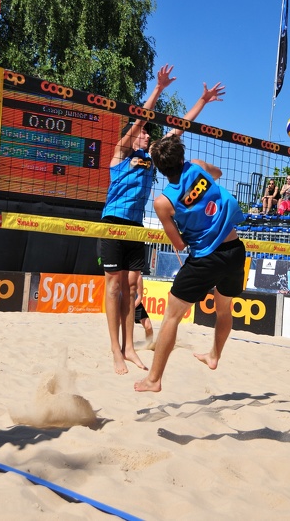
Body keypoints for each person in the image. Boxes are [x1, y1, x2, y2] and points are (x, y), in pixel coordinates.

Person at [100, 64, 225, 375]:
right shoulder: (120, 155)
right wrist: (157, 89)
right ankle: (115, 350)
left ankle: (129, 347)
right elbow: (142, 118)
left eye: (146, 133)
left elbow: (179, 128)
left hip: (135, 226)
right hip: (113, 222)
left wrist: (203, 101)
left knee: (131, 289)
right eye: (142, 132)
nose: (145, 133)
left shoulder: (151, 158)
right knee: (114, 285)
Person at [134, 135, 246, 393]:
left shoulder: (163, 202)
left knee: (172, 317)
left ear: (159, 170)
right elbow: (217, 172)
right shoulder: (197, 165)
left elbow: (180, 244)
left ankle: (153, 380)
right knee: (223, 309)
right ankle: (214, 355)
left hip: (207, 258)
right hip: (234, 250)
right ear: (182, 158)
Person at [135, 272, 153, 343]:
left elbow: (139, 297)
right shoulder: (122, 275)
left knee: (148, 327)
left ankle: (149, 344)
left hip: (135, 304)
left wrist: (132, 307)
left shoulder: (138, 277)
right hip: (123, 304)